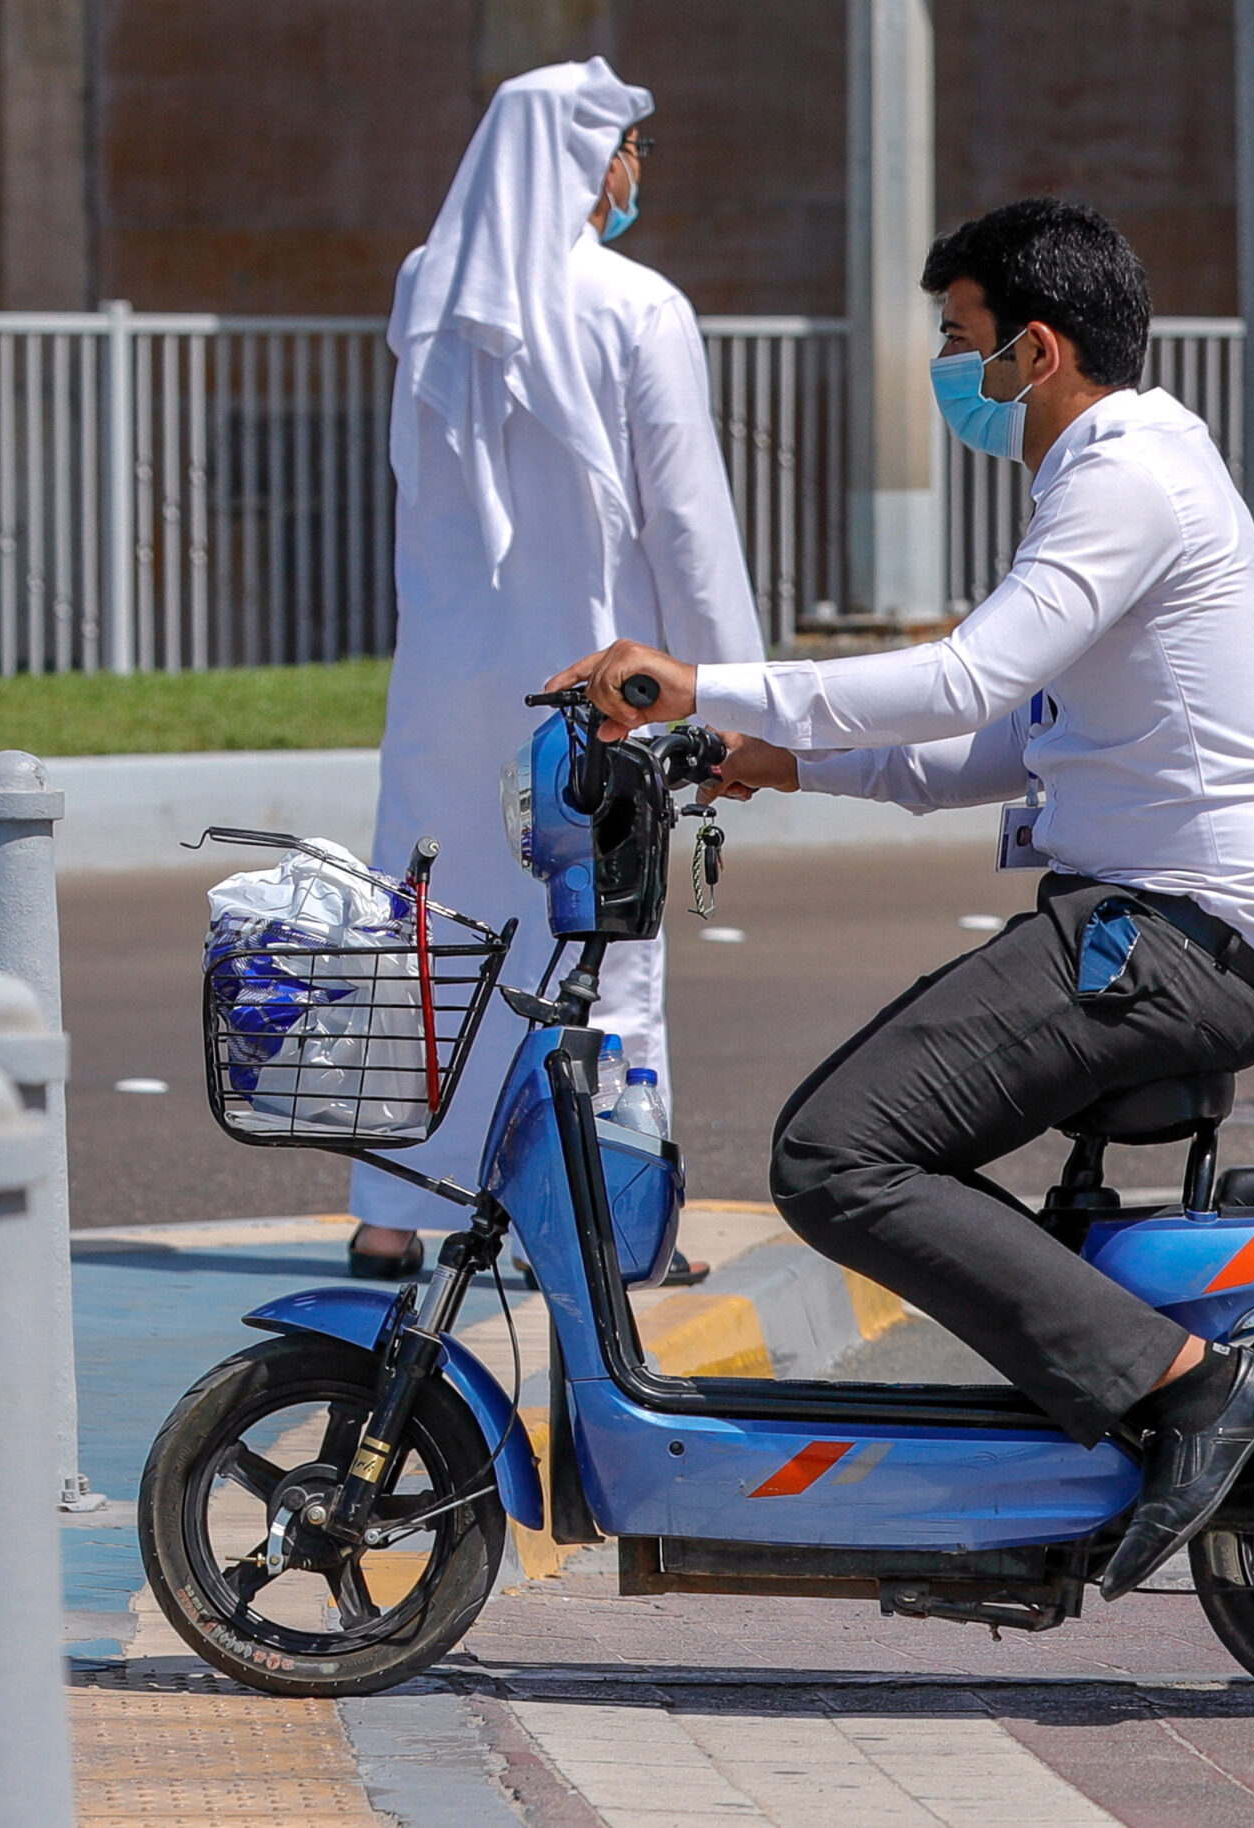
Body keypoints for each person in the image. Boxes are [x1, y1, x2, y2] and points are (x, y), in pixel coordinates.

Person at [541, 198, 1254, 1598]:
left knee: (837, 1154)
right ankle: (1117, 1399)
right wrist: (785, 762)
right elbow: (1005, 738)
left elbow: (967, 677)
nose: (947, 370)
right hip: (1161, 921)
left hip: (1175, 933)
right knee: (857, 1141)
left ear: (1036, 349)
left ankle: (1189, 1389)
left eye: (958, 340)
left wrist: (699, 679)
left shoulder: (1126, 476)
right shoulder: (1123, 465)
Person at [349, 58, 769, 1279]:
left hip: (443, 683)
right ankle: (592, 1224)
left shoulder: (429, 287)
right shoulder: (638, 306)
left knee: (431, 932)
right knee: (602, 944)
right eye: (628, 148)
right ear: (590, 162)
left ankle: (392, 1210)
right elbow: (687, 525)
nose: (635, 170)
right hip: (596, 687)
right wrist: (734, 695)